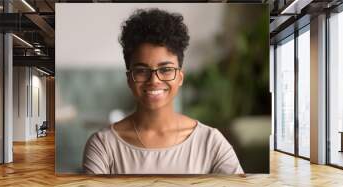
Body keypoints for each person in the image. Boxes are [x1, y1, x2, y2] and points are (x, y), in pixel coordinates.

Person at [83, 8, 244, 175]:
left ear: (180, 77)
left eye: (166, 69)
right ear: (129, 79)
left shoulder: (210, 142)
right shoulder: (103, 146)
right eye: (141, 70)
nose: (154, 80)